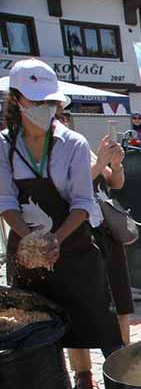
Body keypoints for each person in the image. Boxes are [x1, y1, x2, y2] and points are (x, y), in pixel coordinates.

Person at [0, 59, 123, 363]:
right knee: (36, 324)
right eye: (35, 100)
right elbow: (5, 201)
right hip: (25, 247)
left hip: (74, 245)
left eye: (49, 101)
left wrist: (56, 239)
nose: (44, 106)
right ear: (17, 99)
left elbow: (83, 201)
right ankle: (55, 388)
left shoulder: (73, 143)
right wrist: (30, 240)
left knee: (98, 314)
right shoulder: (3, 145)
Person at [68, 133, 134, 389]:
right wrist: (100, 163)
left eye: (62, 114)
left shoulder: (82, 146)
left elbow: (114, 183)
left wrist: (115, 164)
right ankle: (83, 372)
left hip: (104, 231)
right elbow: (73, 186)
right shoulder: (53, 154)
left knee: (119, 298)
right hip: (74, 233)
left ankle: (124, 364)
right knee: (76, 303)